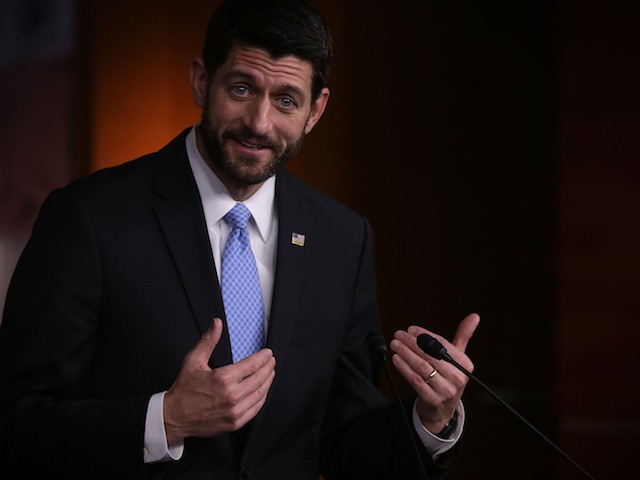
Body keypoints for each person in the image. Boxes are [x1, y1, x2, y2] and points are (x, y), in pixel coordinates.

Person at [0, 0, 480, 478]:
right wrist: (164, 419)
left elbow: (344, 442)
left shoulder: (342, 239)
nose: (259, 122)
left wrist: (430, 419)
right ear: (201, 82)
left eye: (286, 100)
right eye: (242, 88)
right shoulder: (89, 218)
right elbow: (18, 421)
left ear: (316, 110)